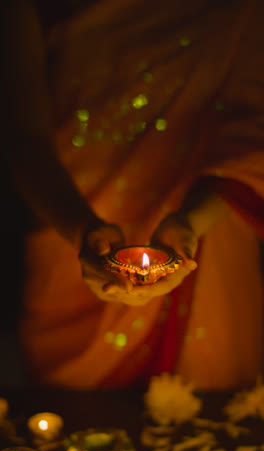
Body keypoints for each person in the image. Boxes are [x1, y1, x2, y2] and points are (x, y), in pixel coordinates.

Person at [3, 0, 264, 390]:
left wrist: (190, 222)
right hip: (70, 243)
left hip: (212, 248)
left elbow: (253, 135)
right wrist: (80, 230)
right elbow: (24, 138)